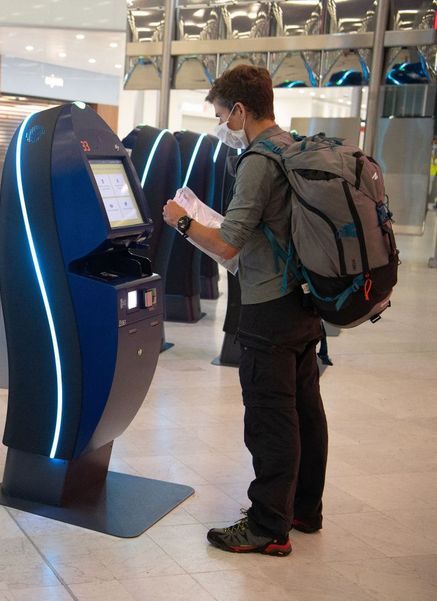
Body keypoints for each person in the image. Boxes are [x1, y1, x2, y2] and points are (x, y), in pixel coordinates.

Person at [162, 65, 328, 557]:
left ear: (238, 109)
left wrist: (183, 222)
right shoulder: (295, 146)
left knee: (270, 417)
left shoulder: (258, 160)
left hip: (268, 306)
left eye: (220, 114)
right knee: (304, 411)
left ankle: (267, 525)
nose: (221, 124)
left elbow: (229, 246)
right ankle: (303, 510)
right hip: (304, 302)